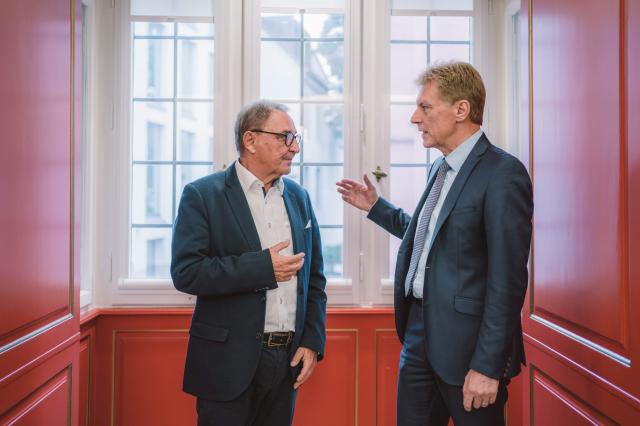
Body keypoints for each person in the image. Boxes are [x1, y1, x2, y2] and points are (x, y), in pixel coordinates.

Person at [337, 62, 533, 425]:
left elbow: (508, 280)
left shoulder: (503, 173)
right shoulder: (438, 169)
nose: (415, 118)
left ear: (461, 109)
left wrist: (487, 366)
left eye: (425, 107)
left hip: (470, 350)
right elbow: (432, 237)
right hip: (418, 336)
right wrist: (377, 208)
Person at [172, 100, 327, 426]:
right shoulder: (202, 195)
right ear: (250, 140)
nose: (295, 148)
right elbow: (187, 273)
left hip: (287, 363)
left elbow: (315, 278)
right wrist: (262, 269)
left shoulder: (299, 197)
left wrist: (312, 342)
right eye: (285, 137)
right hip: (226, 363)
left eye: (296, 138)